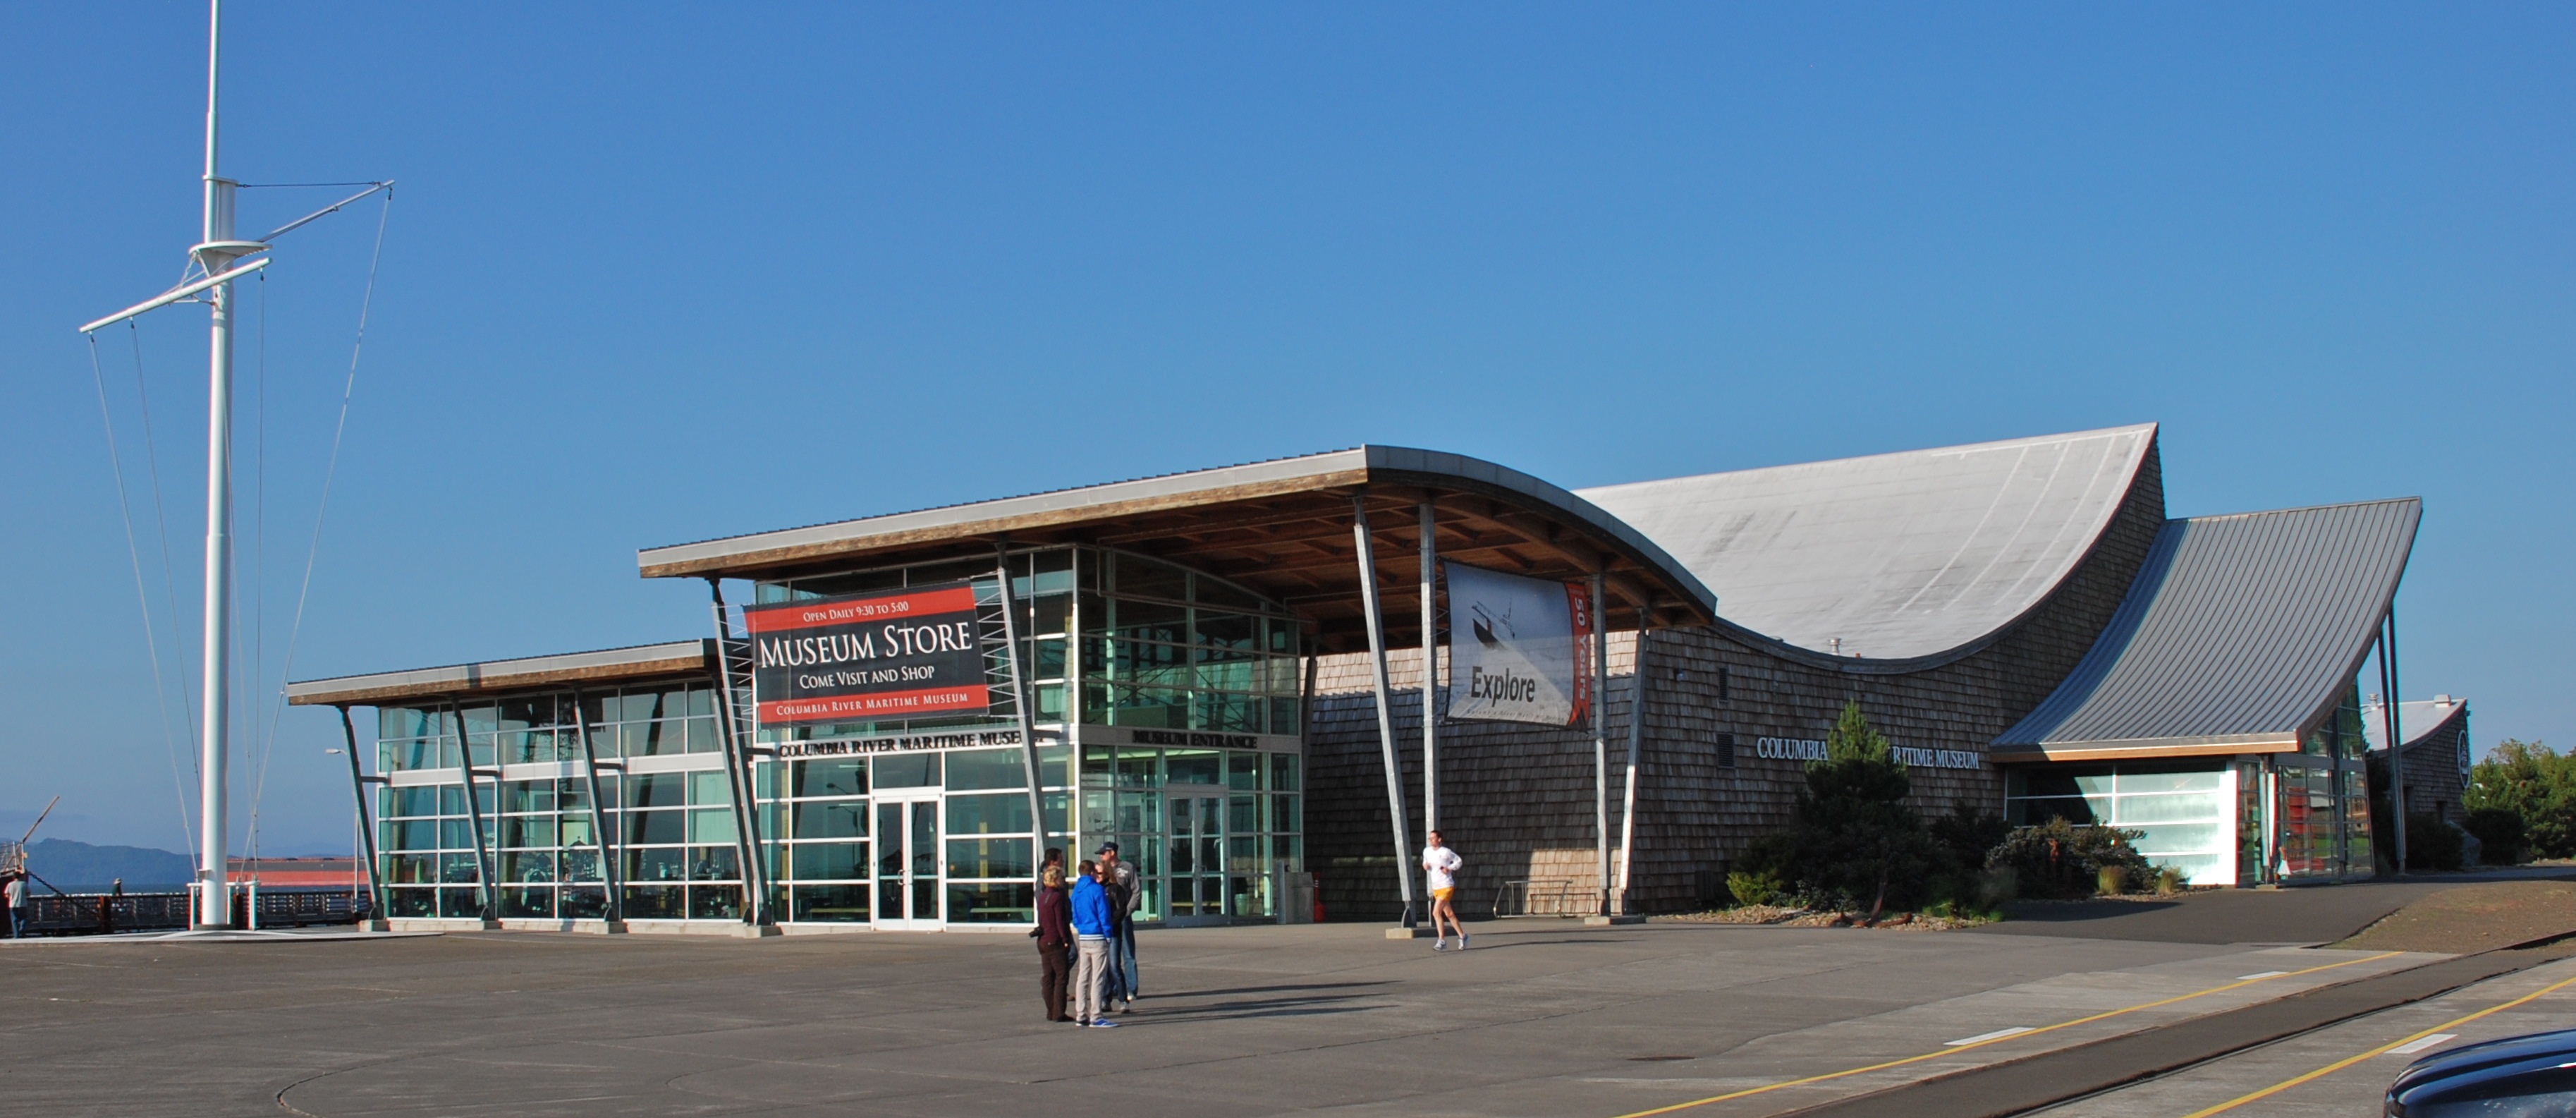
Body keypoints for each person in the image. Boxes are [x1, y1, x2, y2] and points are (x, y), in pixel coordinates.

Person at [1068, 860, 1118, 1028]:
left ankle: (1081, 1014)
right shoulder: (1097, 889)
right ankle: (1096, 1015)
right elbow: (1104, 914)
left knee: (1083, 976)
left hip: (1084, 936)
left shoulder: (1076, 891)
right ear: (1091, 873)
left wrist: (1081, 927)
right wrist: (1108, 934)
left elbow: (1074, 916)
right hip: (1097, 936)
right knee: (1098, 977)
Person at [1098, 841, 1142, 1009]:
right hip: (1108, 919)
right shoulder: (1102, 870)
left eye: (1103, 853)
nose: (1101, 856)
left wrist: (1128, 910)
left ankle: (1132, 989)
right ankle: (1112, 990)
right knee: (1110, 958)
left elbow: (1136, 890)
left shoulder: (1127, 867)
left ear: (1112, 852)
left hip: (1123, 915)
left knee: (1128, 953)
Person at [1030, 866, 1075, 1022]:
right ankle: (1059, 1012)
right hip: (1055, 939)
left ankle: (1050, 1011)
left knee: (1048, 977)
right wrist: (1065, 940)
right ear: (1056, 879)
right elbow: (1060, 921)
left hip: (1043, 940)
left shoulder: (1043, 897)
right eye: (1061, 877)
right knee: (1061, 977)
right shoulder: (1057, 897)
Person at [1423, 830, 1466, 950]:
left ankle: (1442, 940)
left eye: (1433, 838)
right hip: (1436, 886)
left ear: (1440, 839)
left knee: (1436, 912)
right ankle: (1463, 936)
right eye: (1430, 838)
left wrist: (1449, 868)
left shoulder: (1446, 852)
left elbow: (1459, 861)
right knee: (1449, 914)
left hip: (1446, 885)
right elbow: (1425, 863)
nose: (1431, 840)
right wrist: (1425, 866)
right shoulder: (1427, 851)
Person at [4, 872, 25, 939]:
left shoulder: (10, 885)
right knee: (23, 918)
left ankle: (16, 935)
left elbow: (6, 894)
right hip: (23, 903)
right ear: (21, 877)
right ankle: (22, 928)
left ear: (13, 877)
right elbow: (28, 893)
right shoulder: (24, 884)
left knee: (14, 920)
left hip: (13, 904)